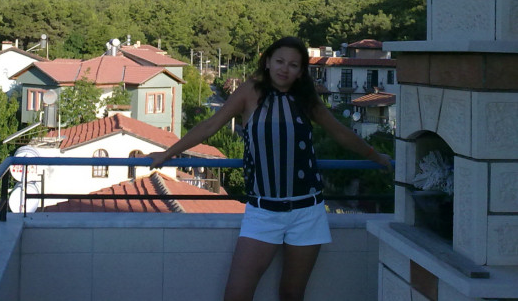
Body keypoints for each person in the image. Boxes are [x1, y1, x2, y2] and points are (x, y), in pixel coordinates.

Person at [147, 36, 392, 301]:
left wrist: (375, 156)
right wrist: (168, 153)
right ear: (267, 62)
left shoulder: (305, 98)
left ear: (300, 72)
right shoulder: (249, 92)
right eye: (280, 61)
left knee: (291, 295)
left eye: (293, 65)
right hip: (263, 212)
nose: (284, 69)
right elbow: (211, 125)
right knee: (237, 295)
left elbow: (339, 131)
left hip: (307, 211)